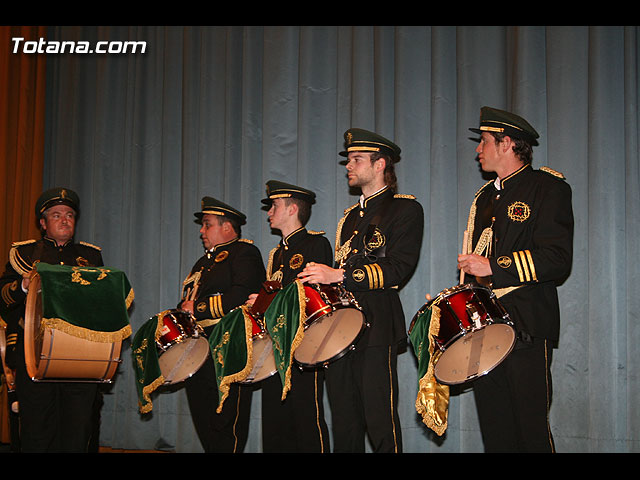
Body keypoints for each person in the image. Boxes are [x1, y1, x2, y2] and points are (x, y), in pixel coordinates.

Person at [299, 128, 424, 453]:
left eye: (356, 159)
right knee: (344, 422)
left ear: (380, 164)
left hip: (377, 324)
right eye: (349, 159)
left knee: (379, 420)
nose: (348, 166)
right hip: (339, 329)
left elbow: (398, 268)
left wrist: (339, 274)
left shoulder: (405, 210)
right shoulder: (351, 217)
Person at [457, 106, 574, 452]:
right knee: (497, 435)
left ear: (506, 143)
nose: (478, 150)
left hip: (526, 325)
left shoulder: (547, 187)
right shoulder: (483, 198)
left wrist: (494, 267)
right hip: (484, 329)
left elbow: (557, 259)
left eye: (484, 141)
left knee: (530, 433)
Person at [0, 187, 104, 452]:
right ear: (43, 223)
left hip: (81, 355)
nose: (65, 220)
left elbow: (103, 303)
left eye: (69, 215)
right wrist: (23, 286)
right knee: (37, 430)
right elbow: (3, 298)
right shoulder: (23, 255)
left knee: (78, 429)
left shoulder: (91, 257)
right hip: (33, 354)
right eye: (56, 215)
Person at [180, 196, 265, 453]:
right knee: (203, 414)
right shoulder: (202, 263)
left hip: (229, 345)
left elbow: (242, 294)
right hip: (198, 350)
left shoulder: (244, 252)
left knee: (227, 419)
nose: (201, 231)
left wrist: (198, 308)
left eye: (207, 224)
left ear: (227, 227)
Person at [256, 180, 332, 453]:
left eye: (274, 206)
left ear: (292, 209)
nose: (269, 213)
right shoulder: (276, 254)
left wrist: (270, 299)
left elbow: (311, 295)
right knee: (275, 421)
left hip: (305, 343)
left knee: (306, 418)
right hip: (276, 346)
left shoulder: (316, 244)